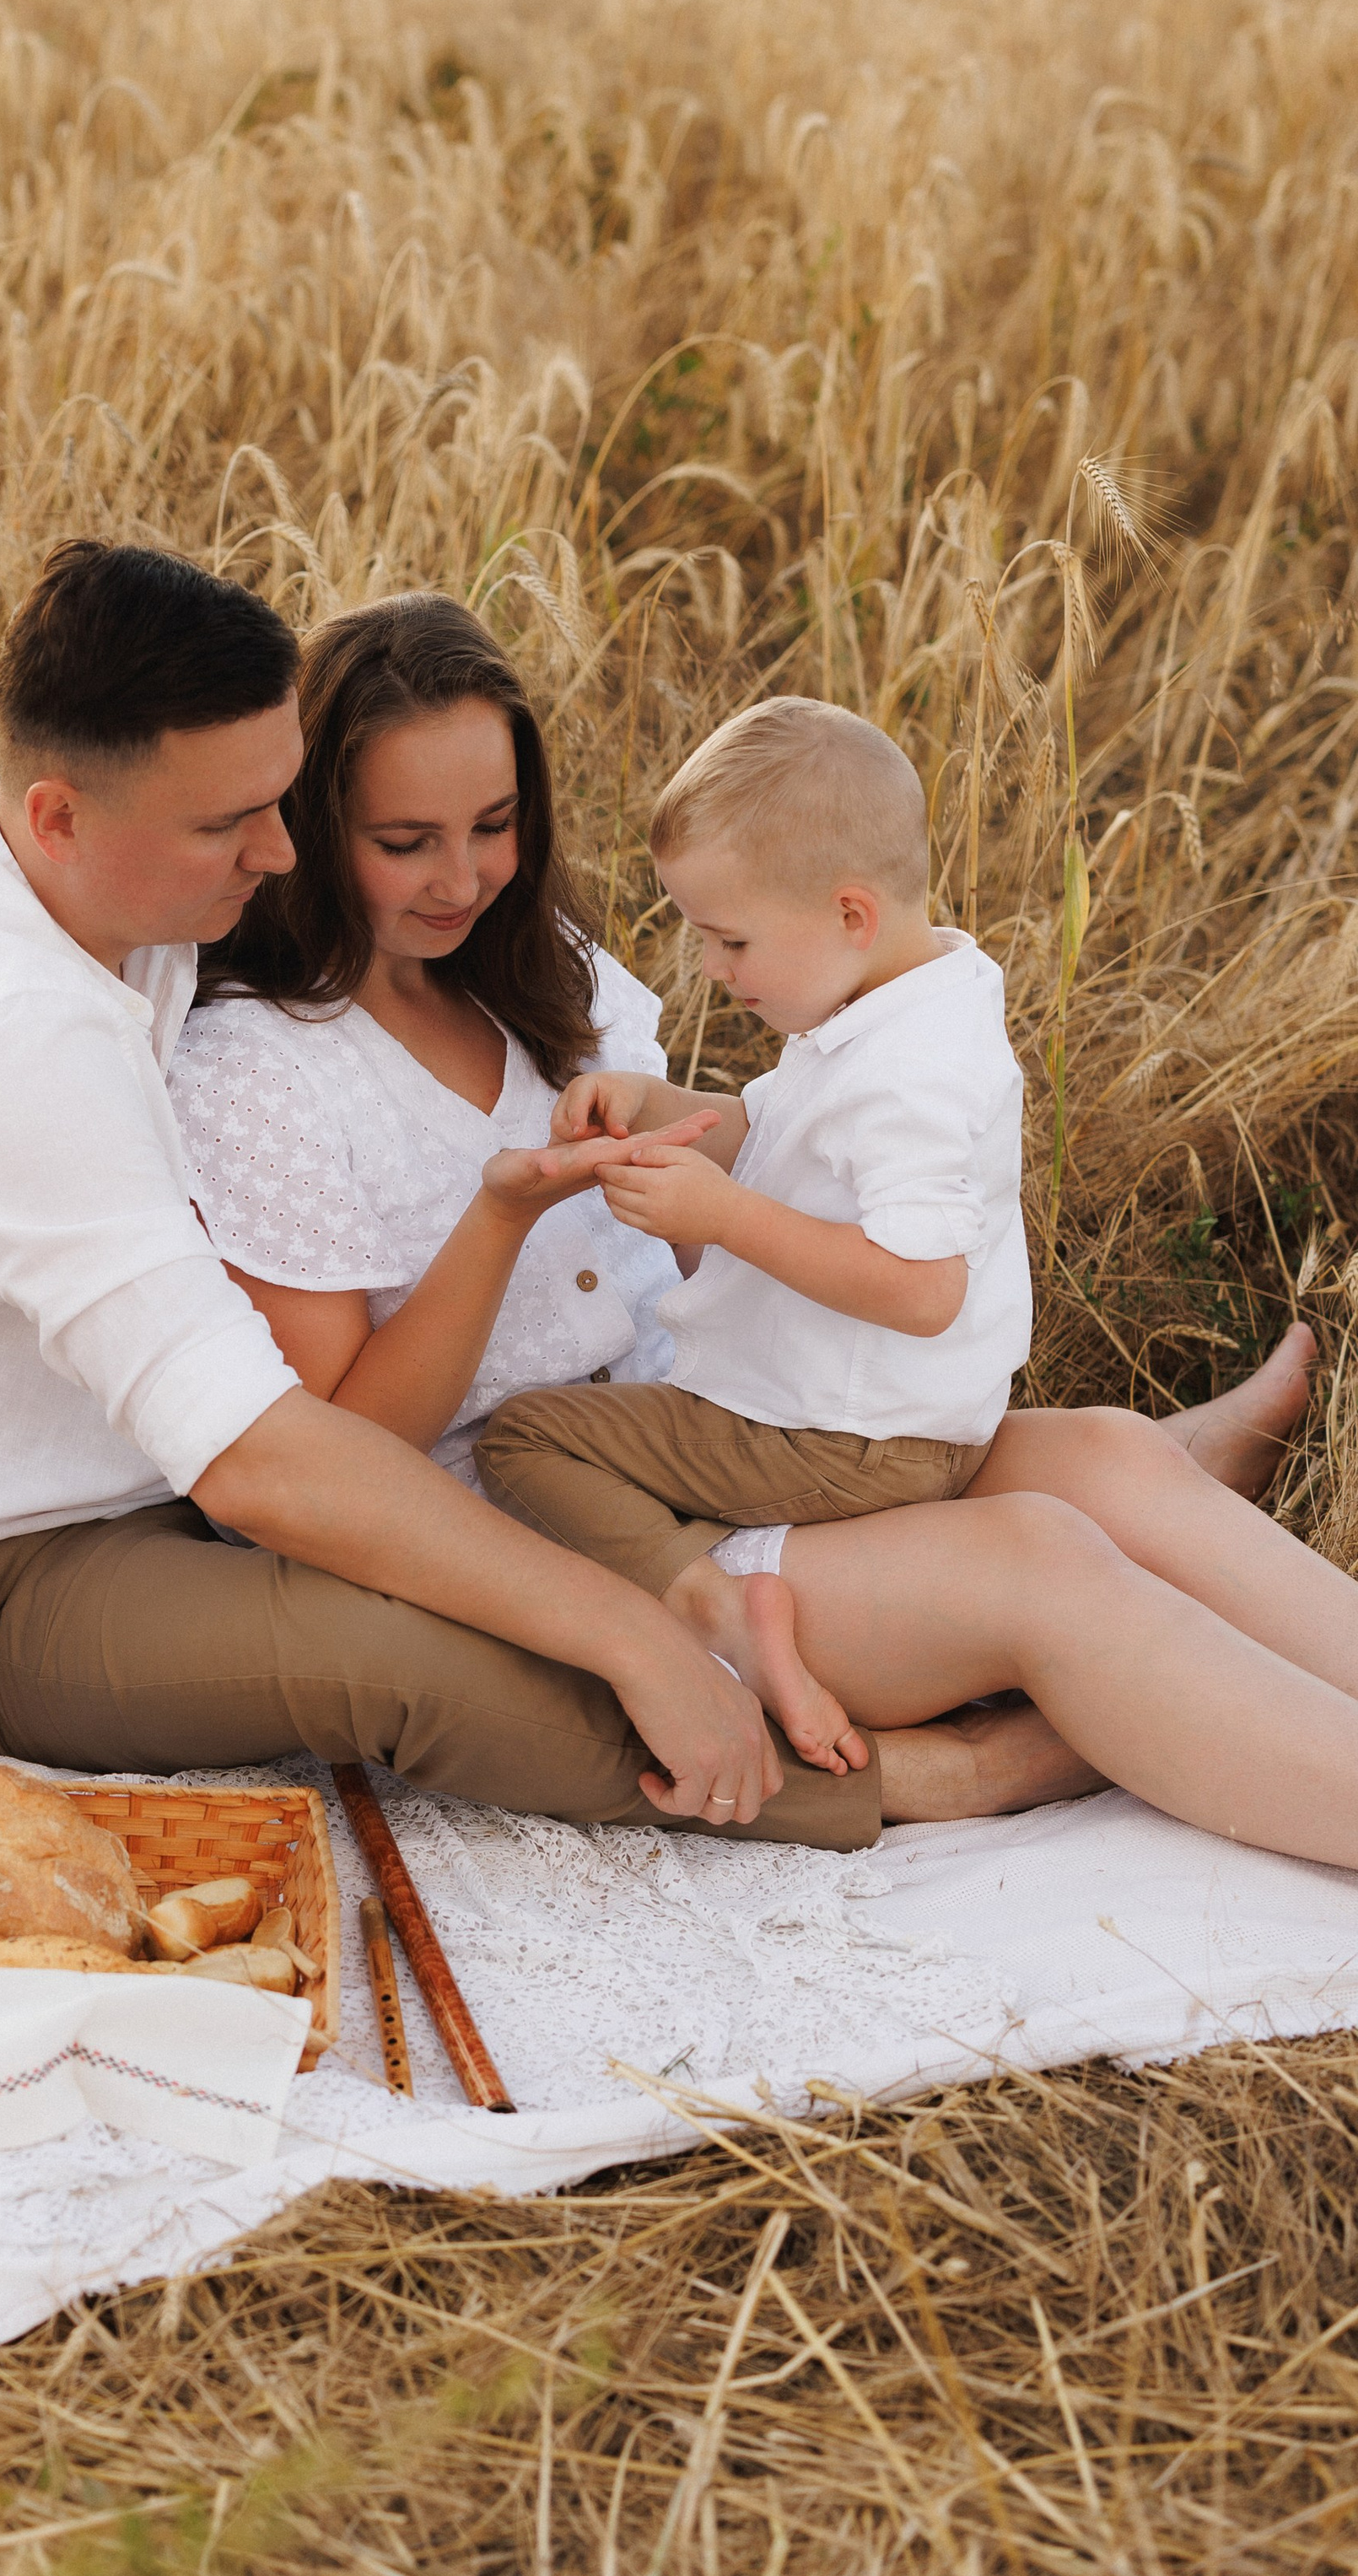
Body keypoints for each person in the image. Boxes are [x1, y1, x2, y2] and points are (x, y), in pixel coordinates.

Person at [170, 589, 1358, 1867]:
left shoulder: (538, 973)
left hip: (722, 1423)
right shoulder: (264, 1066)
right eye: (405, 841)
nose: (462, 877)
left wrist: (707, 1162)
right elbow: (339, 1454)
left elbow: (715, 1220)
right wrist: (501, 1216)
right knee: (1039, 1558)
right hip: (550, 1527)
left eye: (497, 824)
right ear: (308, 830)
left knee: (1108, 1460)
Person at [0, 538, 844, 1851]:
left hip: (151, 1472)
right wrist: (632, 1633)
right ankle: (913, 1787)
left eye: (285, 799)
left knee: (474, 1564)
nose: (277, 849)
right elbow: (254, 1462)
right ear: (59, 817)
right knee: (400, 1653)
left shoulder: (59, 869)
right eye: (226, 824)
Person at [476, 695, 1030, 1773]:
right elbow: (785, 1141)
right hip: (875, 1415)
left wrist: (719, 1215)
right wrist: (658, 1102)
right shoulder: (897, 1004)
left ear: (850, 913)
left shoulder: (910, 1077)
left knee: (524, 1441)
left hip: (844, 1433)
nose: (712, 969)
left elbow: (922, 1289)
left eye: (730, 939)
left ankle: (723, 1609)